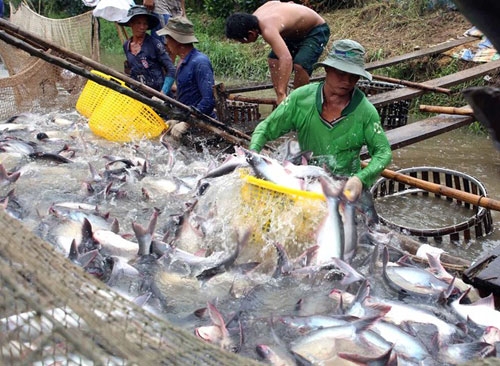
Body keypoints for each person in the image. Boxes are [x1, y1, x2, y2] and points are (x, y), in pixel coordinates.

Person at [249, 39, 392, 202]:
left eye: (354, 77)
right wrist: (253, 154)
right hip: (307, 181)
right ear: (327, 69)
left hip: (345, 189)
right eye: (341, 73)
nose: (347, 81)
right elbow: (266, 128)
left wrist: (361, 178)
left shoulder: (365, 112)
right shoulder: (300, 99)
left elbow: (383, 153)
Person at [225, 1, 330, 105]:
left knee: (300, 65)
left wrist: (281, 93)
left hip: (315, 31)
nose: (242, 43)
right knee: (273, 60)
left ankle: (299, 102)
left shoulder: (267, 29)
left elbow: (286, 58)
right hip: (294, 33)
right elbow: (276, 2)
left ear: (251, 33)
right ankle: (282, 100)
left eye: (242, 41)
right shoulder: (254, 18)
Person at [156, 16, 217, 139]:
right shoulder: (182, 61)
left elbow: (208, 100)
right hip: (187, 119)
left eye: (168, 37)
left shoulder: (200, 62)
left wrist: (187, 123)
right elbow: (185, 95)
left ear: (177, 40)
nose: (166, 42)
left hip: (202, 125)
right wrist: (176, 119)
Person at [119, 5, 176, 94]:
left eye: (145, 24)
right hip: (139, 93)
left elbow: (171, 69)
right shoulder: (126, 46)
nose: (142, 27)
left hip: (157, 93)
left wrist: (162, 94)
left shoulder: (155, 44)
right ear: (131, 23)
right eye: (138, 23)